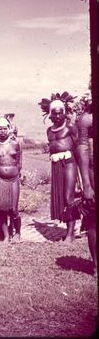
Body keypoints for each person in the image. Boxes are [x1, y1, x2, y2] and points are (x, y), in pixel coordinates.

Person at [39, 92, 79, 243]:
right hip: (56, 165)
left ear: (64, 113)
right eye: (54, 114)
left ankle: (70, 234)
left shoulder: (71, 127)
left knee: (69, 197)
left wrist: (81, 171)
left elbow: (78, 148)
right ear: (50, 115)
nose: (57, 116)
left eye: (60, 113)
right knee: (61, 198)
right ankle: (68, 232)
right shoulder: (49, 131)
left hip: (69, 163)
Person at [0, 117, 22, 244]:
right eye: (0, 129)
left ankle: (18, 233)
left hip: (14, 179)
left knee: (13, 209)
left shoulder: (15, 144)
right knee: (1, 209)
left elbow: (19, 162)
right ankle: (6, 236)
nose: (2, 131)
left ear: (8, 129)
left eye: (5, 129)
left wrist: (16, 174)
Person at [76, 95, 96, 275]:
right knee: (93, 221)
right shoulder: (86, 119)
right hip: (92, 173)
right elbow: (82, 150)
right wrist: (86, 185)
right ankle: (96, 264)